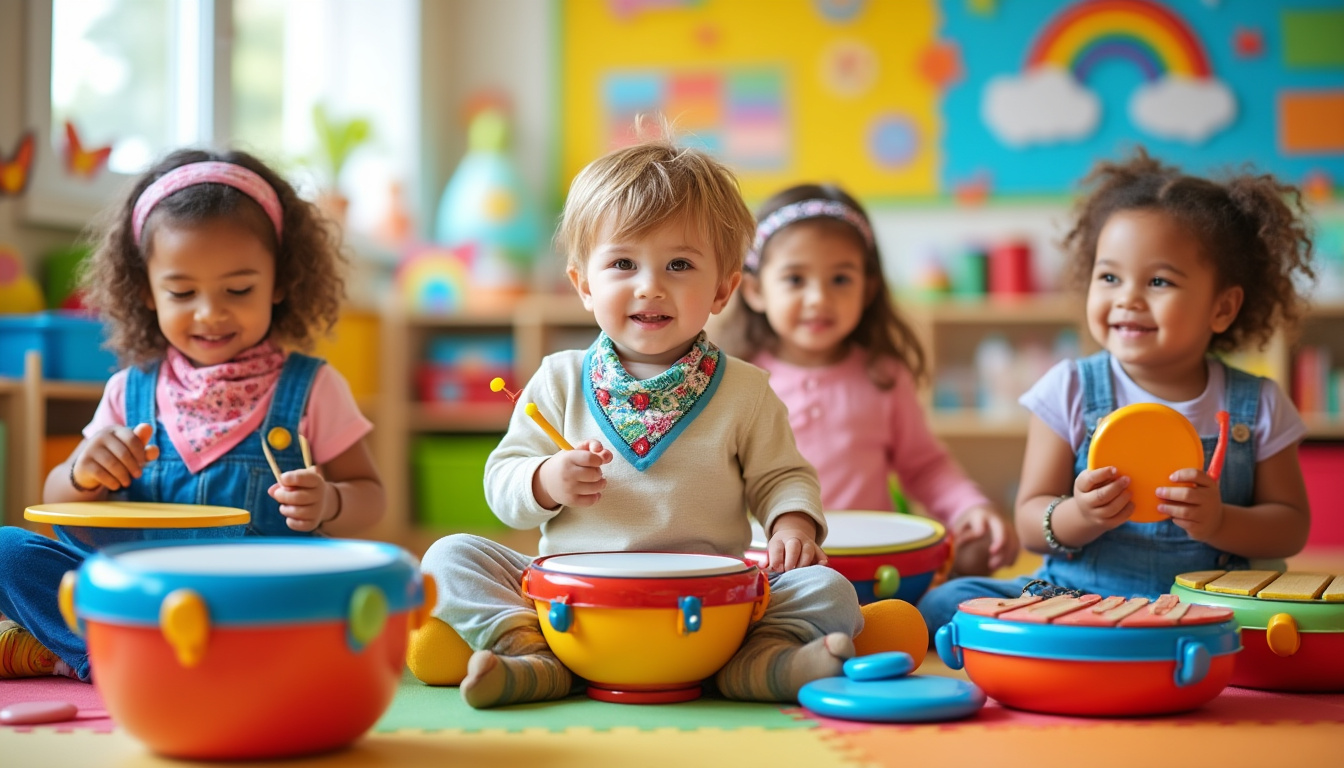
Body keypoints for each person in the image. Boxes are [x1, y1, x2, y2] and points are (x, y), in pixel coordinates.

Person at [420, 132, 863, 709]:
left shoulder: (747, 390)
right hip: (576, 601)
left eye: (679, 264)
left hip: (709, 604)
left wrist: (793, 527)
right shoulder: (558, 377)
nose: (650, 286)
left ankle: (758, 661)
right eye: (623, 263)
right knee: (448, 557)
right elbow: (504, 484)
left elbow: (782, 477)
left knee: (829, 588)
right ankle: (528, 653)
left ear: (723, 289)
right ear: (584, 284)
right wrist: (545, 480)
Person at [0, 149, 384, 681]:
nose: (210, 313)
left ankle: (121, 649)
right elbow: (58, 506)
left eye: (238, 289)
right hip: (141, 591)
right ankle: (112, 653)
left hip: (253, 592)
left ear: (279, 282)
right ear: (146, 290)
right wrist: (82, 473)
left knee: (355, 582)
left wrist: (331, 502)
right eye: (182, 291)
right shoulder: (128, 390)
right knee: (9, 550)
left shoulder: (313, 387)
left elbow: (370, 495)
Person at [918, 149, 1315, 633]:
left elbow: (1290, 526)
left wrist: (1219, 522)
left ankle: (1113, 649)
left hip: (1206, 606)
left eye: (1158, 281)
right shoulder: (1069, 388)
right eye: (1109, 277)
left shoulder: (1259, 403)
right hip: (1081, 600)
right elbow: (1030, 522)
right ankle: (1108, 645)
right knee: (946, 602)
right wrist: (1080, 514)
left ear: (1223, 308)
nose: (1127, 298)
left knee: (1293, 625)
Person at [713, 183, 1018, 577]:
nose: (819, 298)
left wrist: (970, 508)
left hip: (873, 567)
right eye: (795, 279)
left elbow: (925, 466)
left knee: (967, 572)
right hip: (770, 567)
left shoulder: (883, 375)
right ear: (755, 290)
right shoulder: (735, 378)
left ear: (868, 289)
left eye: (840, 279)